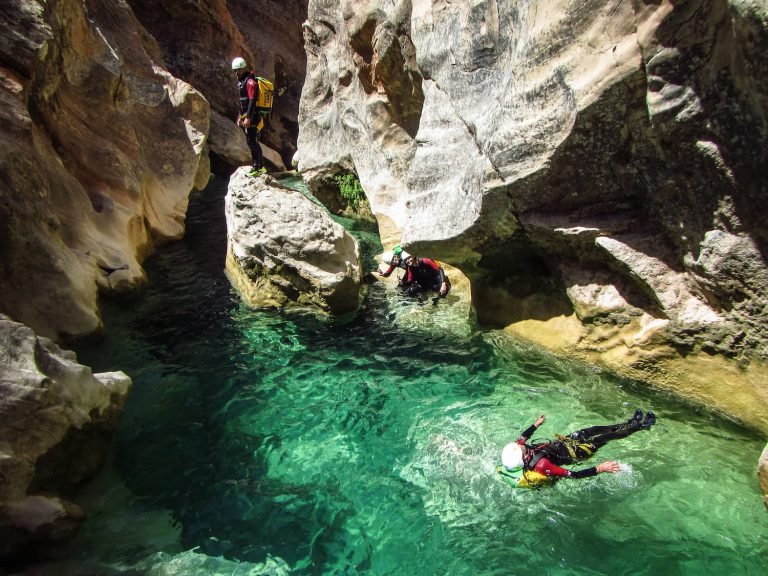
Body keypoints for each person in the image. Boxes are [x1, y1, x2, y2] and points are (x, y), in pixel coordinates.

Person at [498, 410, 656, 488]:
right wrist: (599, 469)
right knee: (606, 437)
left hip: (564, 442)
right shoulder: (542, 465)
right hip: (576, 453)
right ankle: (641, 426)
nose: (520, 444)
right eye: (520, 447)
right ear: (524, 458)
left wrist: (535, 424)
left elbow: (523, 437)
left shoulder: (518, 449)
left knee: (595, 429)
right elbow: (573, 475)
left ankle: (629, 423)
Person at [232, 56, 266, 176]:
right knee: (252, 141)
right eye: (235, 71)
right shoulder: (242, 82)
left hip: (253, 116)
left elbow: (252, 100)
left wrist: (248, 117)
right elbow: (242, 102)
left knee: (252, 141)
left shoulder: (250, 82)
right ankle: (260, 167)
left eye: (238, 70)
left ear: (243, 69)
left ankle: (257, 167)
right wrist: (240, 116)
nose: (236, 73)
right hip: (247, 115)